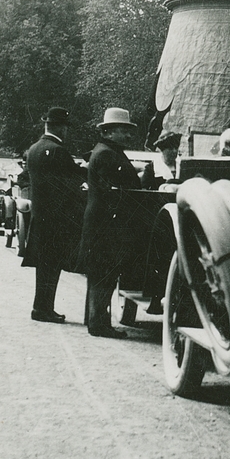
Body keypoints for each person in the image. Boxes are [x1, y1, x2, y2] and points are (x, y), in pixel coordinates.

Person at [79, 108, 145, 339]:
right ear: (109, 132)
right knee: (104, 273)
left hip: (101, 221)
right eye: (123, 131)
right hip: (106, 224)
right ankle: (99, 325)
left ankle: (94, 319)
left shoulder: (105, 151)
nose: (128, 136)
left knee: (100, 273)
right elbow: (114, 191)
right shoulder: (108, 154)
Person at [22, 108, 87, 323]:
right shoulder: (58, 151)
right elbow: (71, 183)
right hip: (57, 219)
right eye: (66, 127)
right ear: (61, 127)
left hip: (40, 217)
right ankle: (44, 309)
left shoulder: (34, 149)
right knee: (52, 267)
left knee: (44, 267)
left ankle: (41, 306)